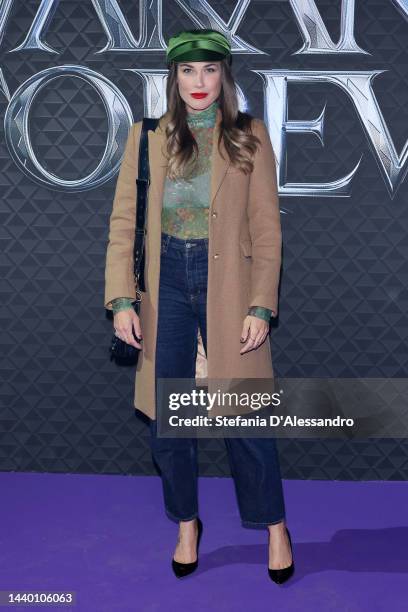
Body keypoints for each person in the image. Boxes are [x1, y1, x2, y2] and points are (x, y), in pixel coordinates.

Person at [104, 28, 294, 584]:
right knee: (171, 424)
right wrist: (120, 297)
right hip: (165, 289)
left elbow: (266, 230)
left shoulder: (249, 135)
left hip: (229, 283)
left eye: (210, 70)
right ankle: (187, 523)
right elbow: (124, 225)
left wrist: (261, 305)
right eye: (188, 71)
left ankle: (274, 525)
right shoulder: (147, 138)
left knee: (245, 419)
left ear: (225, 76)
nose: (199, 83)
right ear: (174, 79)